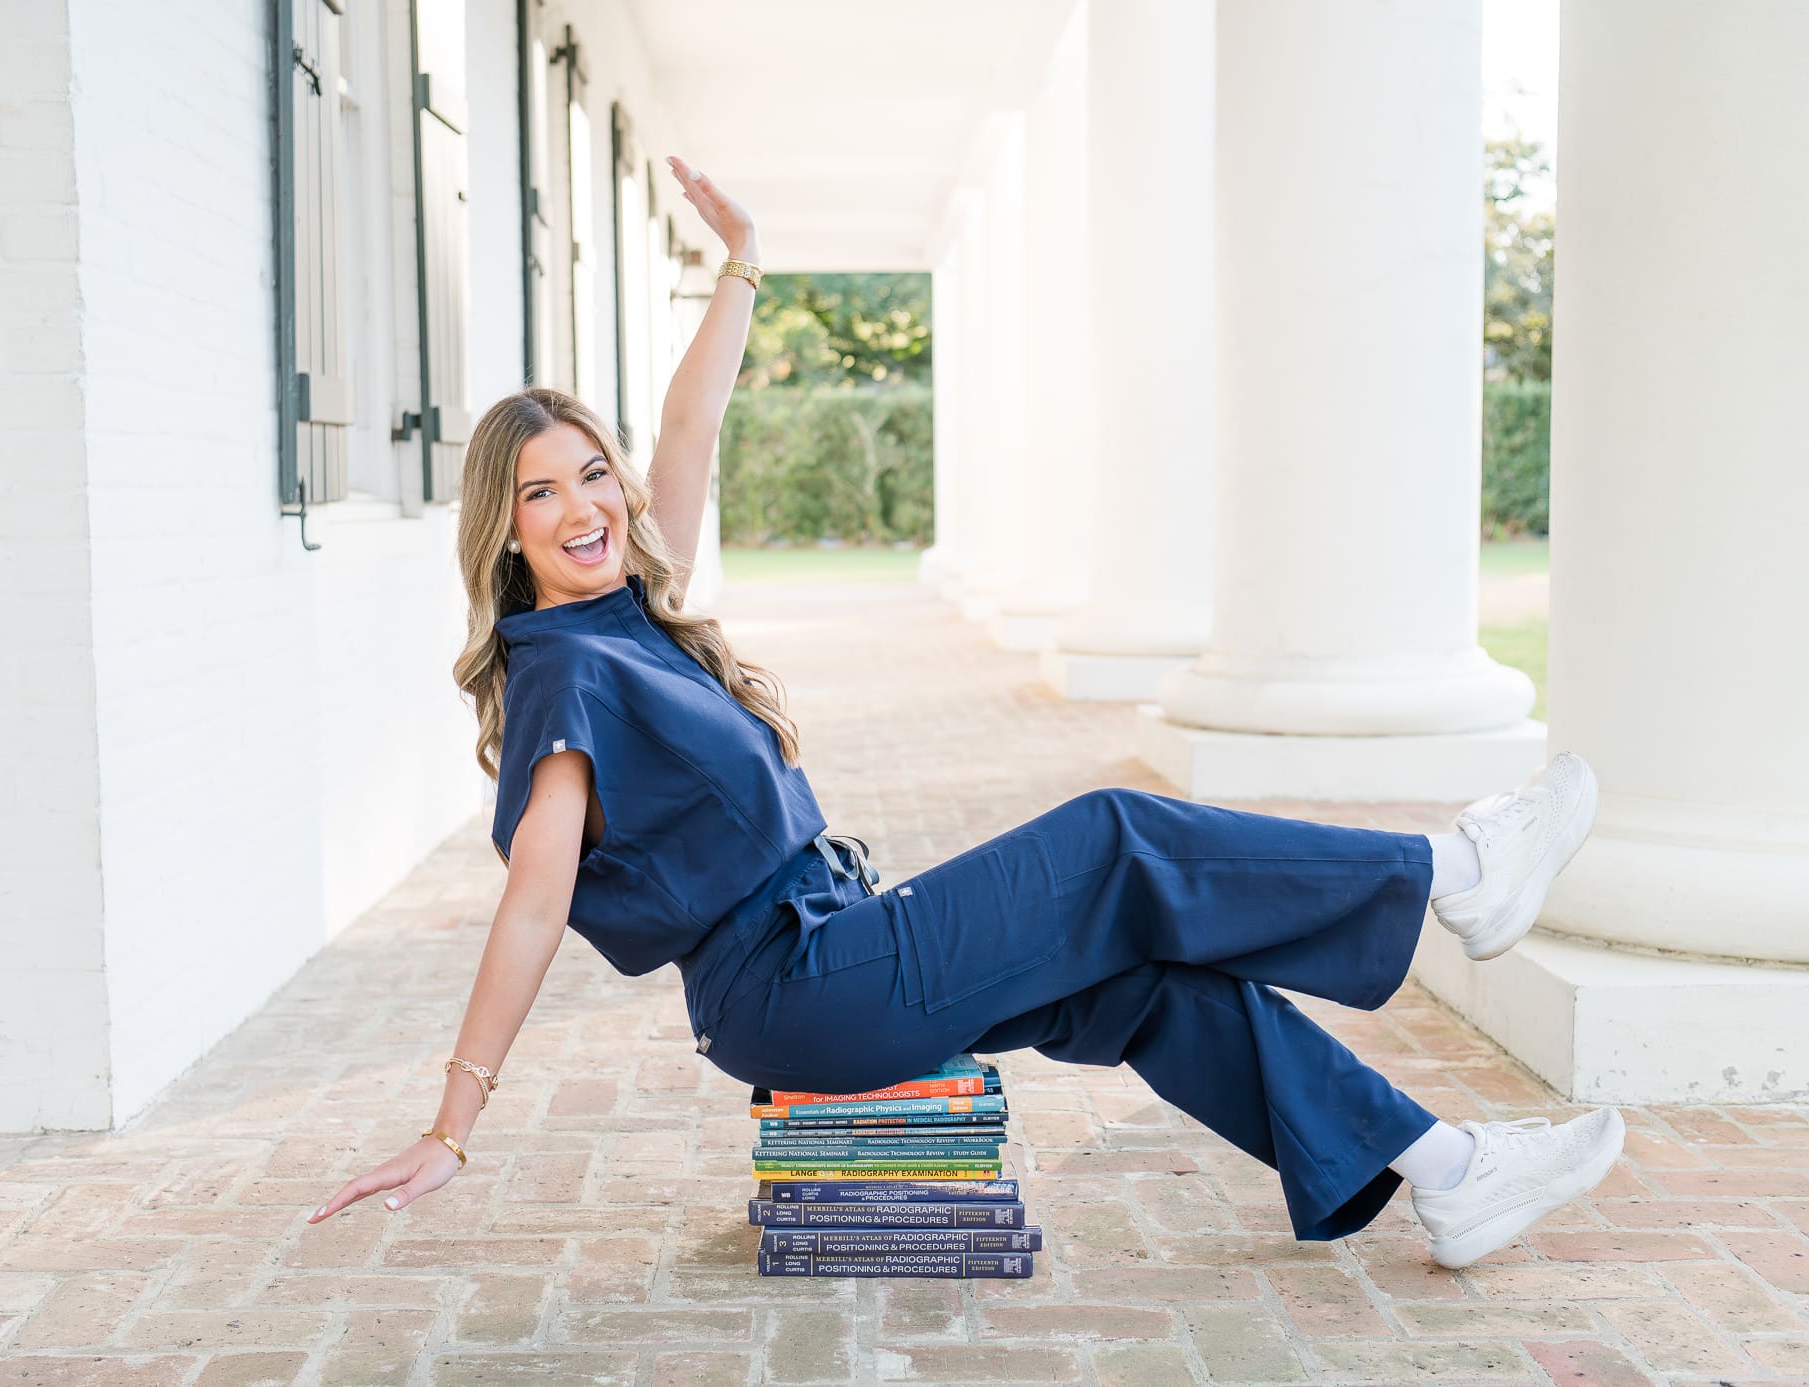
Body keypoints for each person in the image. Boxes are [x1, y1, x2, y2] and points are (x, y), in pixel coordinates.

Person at [309, 158, 1625, 1271]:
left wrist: (746, 263)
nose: (588, 505)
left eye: (593, 472)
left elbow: (690, 424)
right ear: (506, 528)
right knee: (1114, 837)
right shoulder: (561, 672)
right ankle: (1455, 872)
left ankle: (1447, 1172)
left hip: (836, 946)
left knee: (1144, 982)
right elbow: (534, 902)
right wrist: (451, 1124)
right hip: (796, 990)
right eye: (543, 492)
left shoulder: (632, 618)